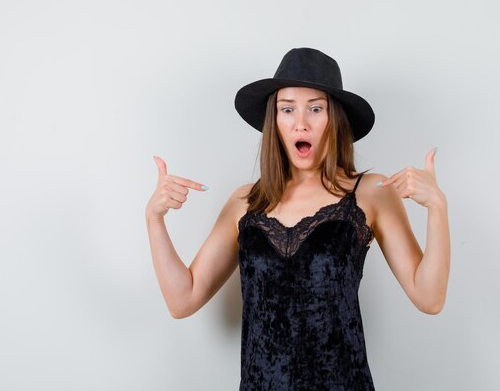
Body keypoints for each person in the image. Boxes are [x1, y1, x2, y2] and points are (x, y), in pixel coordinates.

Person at [145, 48, 450, 391]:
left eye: (315, 109)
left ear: (335, 119)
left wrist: (437, 208)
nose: (300, 122)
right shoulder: (245, 203)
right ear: (274, 122)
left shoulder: (371, 192)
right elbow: (182, 300)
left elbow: (430, 298)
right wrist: (154, 219)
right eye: (287, 109)